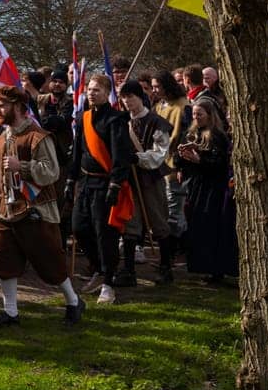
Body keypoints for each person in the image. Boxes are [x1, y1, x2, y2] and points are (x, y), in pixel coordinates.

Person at [0, 85, 84, 326]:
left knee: (49, 260)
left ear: (18, 107)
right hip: (5, 211)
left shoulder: (38, 136)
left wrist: (24, 167)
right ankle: (10, 312)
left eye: (2, 106)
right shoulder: (0, 139)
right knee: (4, 261)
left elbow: (51, 172)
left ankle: (73, 302)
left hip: (34, 210)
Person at [68, 73, 134, 304]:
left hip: (105, 184)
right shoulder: (83, 117)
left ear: (107, 93)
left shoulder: (116, 120)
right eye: (89, 89)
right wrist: (70, 179)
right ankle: (98, 268)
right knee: (79, 228)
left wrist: (116, 184)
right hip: (86, 183)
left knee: (104, 234)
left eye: (97, 90)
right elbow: (78, 152)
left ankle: (108, 282)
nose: (91, 93)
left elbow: (121, 155)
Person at [120, 79, 174, 286]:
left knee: (159, 221)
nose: (127, 101)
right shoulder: (122, 121)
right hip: (130, 179)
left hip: (150, 178)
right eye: (124, 97)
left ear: (139, 97)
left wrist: (138, 159)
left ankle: (166, 268)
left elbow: (160, 152)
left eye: (130, 96)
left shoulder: (156, 122)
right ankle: (129, 271)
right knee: (131, 224)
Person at [179, 96, 237, 284]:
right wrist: (184, 158)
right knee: (198, 226)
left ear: (209, 115)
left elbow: (220, 164)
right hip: (198, 187)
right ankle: (202, 267)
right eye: (194, 114)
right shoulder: (193, 133)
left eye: (200, 114)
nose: (196, 117)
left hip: (214, 190)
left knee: (212, 228)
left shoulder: (217, 136)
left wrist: (199, 159)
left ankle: (216, 270)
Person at [151, 70, 190, 244]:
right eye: (153, 87)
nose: (155, 90)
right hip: (158, 163)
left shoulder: (183, 106)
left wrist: (180, 164)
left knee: (174, 208)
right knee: (163, 207)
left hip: (174, 164)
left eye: (157, 86)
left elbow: (185, 136)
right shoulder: (159, 106)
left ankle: (175, 246)